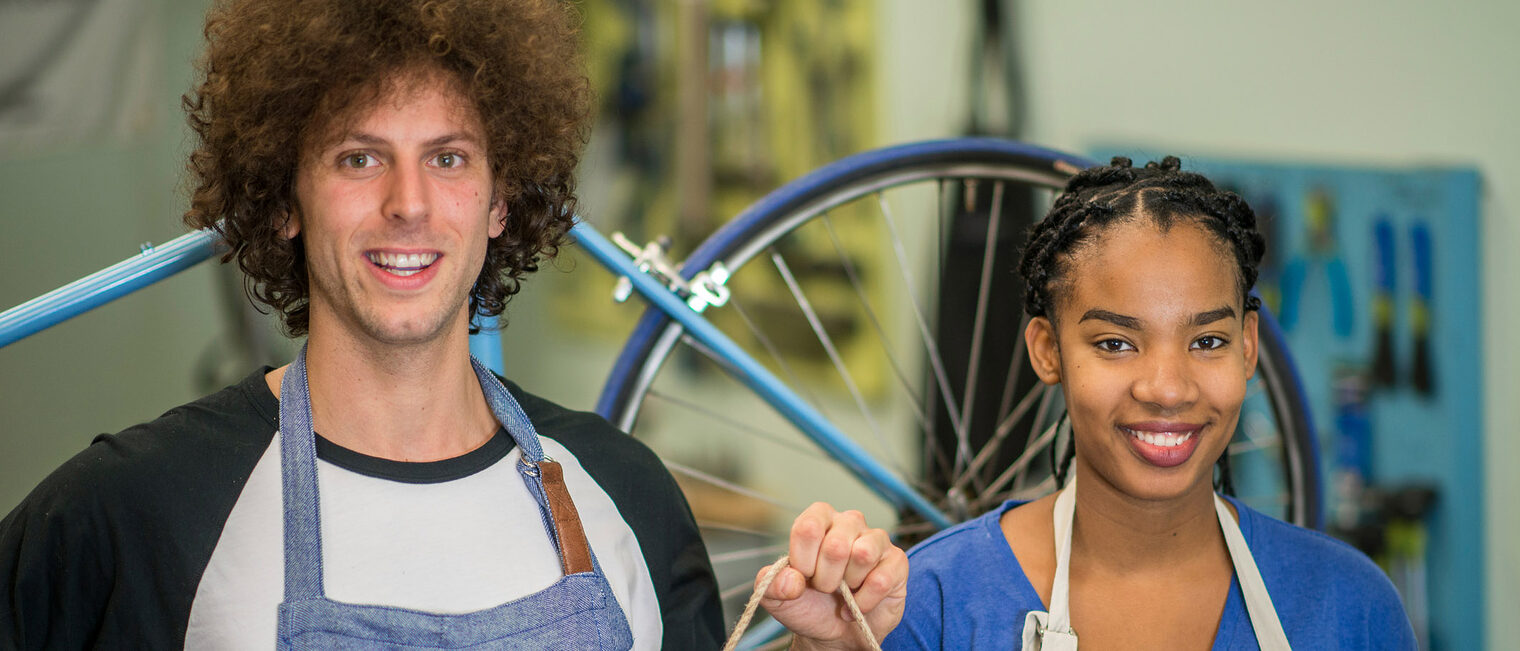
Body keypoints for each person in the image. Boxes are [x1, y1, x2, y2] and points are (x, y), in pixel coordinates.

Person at [0, 0, 906, 648]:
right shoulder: (136, 512)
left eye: (448, 157)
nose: (409, 204)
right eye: (360, 158)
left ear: (499, 201)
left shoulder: (624, 494)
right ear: (285, 199)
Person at [883, 157, 1416, 650]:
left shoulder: (1350, 606)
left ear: (1248, 348)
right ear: (1048, 352)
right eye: (1115, 343)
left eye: (1207, 342)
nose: (1167, 389)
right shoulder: (937, 602)